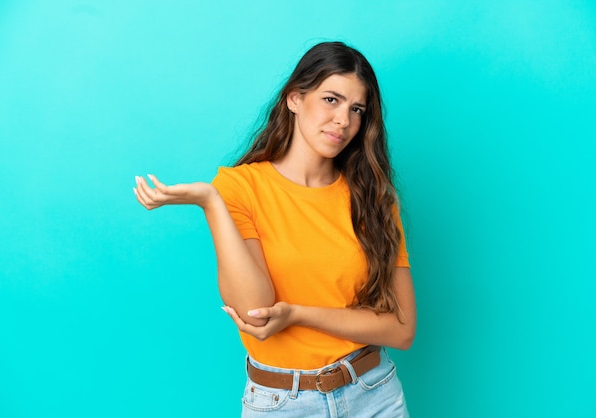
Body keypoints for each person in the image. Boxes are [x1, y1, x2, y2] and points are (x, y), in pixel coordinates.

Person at [134, 41, 416, 417]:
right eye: (331, 100)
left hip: (372, 393)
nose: (343, 120)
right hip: (282, 404)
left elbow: (401, 329)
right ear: (294, 99)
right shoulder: (239, 187)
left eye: (356, 109)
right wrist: (211, 203)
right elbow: (255, 314)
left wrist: (299, 314)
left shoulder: (374, 200)